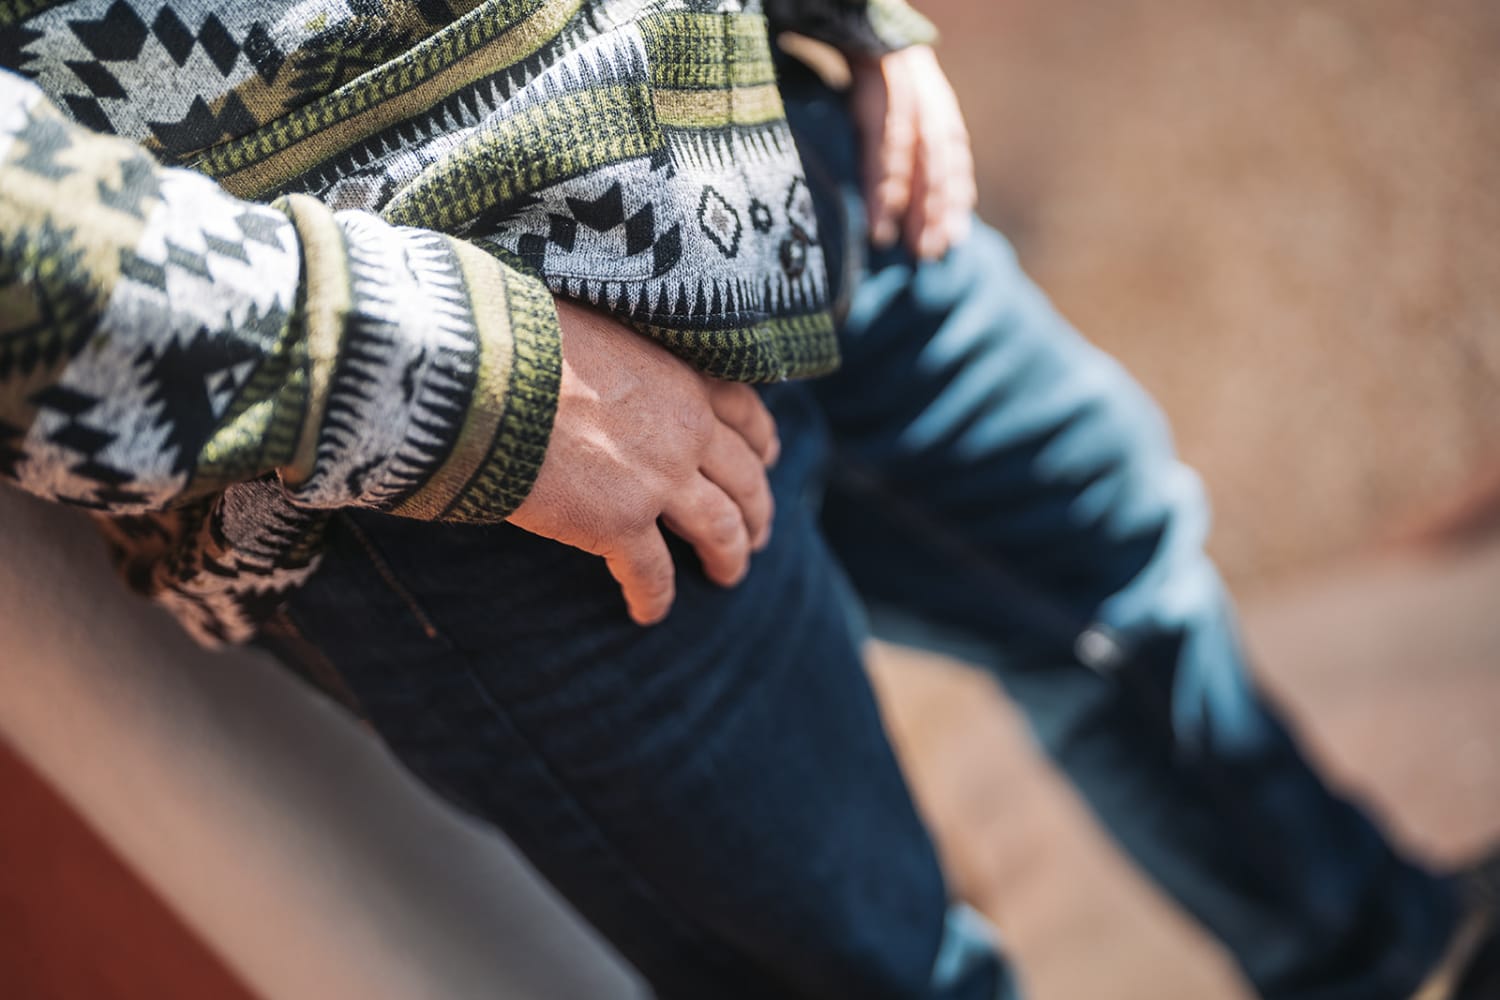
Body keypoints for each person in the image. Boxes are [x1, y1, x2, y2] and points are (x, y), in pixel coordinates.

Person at [0, 2, 1493, 997]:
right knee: (879, 967)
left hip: (776, 123)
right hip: (470, 479)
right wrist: (454, 381)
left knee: (1127, 581)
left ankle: (1400, 958)